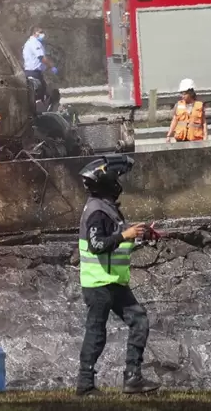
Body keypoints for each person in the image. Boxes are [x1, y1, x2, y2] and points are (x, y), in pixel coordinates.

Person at [75, 154, 160, 397]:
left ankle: (132, 378)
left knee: (139, 320)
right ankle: (85, 385)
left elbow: (116, 246)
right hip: (99, 284)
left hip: (115, 282)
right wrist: (125, 235)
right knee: (96, 333)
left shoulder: (107, 209)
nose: (119, 183)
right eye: (117, 178)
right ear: (108, 182)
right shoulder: (96, 211)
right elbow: (97, 246)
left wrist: (139, 237)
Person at [22, 26, 57, 108]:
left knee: (43, 93)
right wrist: (51, 66)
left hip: (35, 73)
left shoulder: (32, 42)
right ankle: (39, 114)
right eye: (40, 32)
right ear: (35, 33)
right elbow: (41, 57)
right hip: (33, 73)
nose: (42, 34)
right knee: (38, 97)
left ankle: (41, 110)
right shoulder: (34, 43)